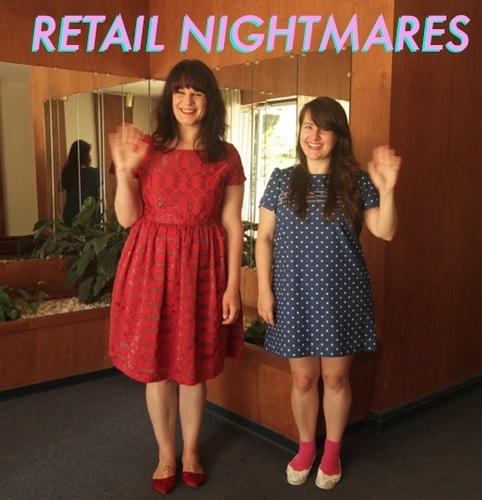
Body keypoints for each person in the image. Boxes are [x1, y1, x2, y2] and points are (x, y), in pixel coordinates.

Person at [108, 59, 245, 495]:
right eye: (180, 91)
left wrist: (233, 286)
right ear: (170, 97)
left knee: (192, 370)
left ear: (210, 100)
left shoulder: (226, 155)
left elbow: (232, 223)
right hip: (151, 266)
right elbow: (128, 218)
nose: (188, 101)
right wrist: (123, 170)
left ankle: (191, 452)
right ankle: (166, 454)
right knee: (157, 369)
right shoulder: (148, 148)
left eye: (197, 92)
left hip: (203, 268)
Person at [255, 97, 401, 490]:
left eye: (323, 127)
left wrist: (387, 190)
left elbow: (385, 231)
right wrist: (264, 289)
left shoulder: (356, 181)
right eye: (307, 126)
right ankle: (306, 447)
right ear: (299, 132)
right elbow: (264, 238)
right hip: (294, 295)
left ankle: (332, 451)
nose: (314, 135)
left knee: (335, 378)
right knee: (303, 378)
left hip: (343, 295)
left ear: (338, 135)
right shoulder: (282, 179)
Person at [60, 139, 100, 225]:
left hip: (70, 215)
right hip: (89, 217)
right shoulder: (94, 173)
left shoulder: (67, 173)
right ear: (85, 156)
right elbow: (101, 195)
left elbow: (61, 190)